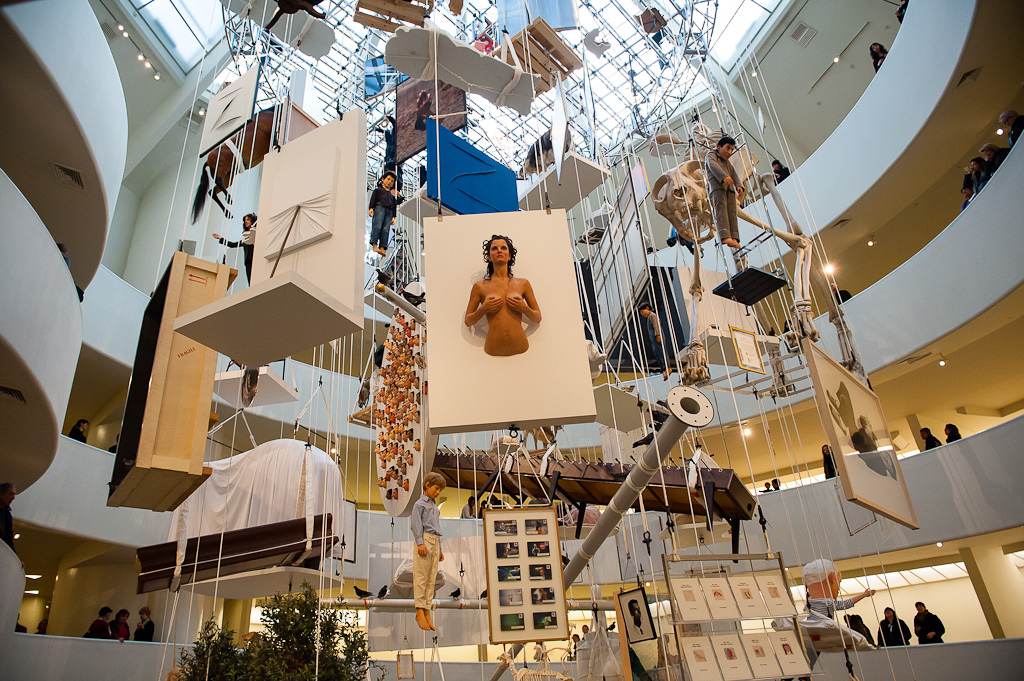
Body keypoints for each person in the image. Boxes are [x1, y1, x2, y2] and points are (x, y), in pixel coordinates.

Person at [464, 235, 542, 357]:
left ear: (509, 256)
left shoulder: (523, 284)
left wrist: (524, 308)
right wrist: (483, 309)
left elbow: (537, 318)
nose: (499, 251)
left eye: (503, 248)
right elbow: (468, 321)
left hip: (521, 346)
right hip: (492, 348)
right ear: (489, 257)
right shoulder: (480, 287)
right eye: (494, 248)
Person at [412, 471, 446, 631]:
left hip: (435, 540)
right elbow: (415, 524)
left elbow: (437, 528)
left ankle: (427, 608)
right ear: (427, 485)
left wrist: (440, 548)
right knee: (421, 575)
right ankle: (419, 609)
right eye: (436, 488)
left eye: (440, 490)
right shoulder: (419, 504)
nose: (438, 492)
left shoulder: (434, 507)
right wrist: (420, 542)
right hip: (425, 539)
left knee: (431, 577)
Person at [704, 136, 745, 250]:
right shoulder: (711, 155)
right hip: (718, 186)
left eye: (732, 149)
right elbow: (713, 165)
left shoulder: (727, 162)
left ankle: (734, 237)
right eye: (728, 148)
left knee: (732, 212)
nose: (730, 152)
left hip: (729, 189)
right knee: (721, 209)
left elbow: (733, 173)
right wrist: (723, 177)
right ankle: (725, 235)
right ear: (719, 147)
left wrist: (739, 185)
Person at [802, 558, 875, 621]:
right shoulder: (828, 603)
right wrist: (864, 595)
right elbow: (846, 604)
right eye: (838, 582)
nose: (839, 589)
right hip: (825, 628)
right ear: (832, 578)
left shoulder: (809, 604)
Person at [213, 213, 257, 284]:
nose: (246, 221)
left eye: (248, 220)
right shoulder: (245, 238)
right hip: (248, 262)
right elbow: (233, 244)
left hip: (255, 260)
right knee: (250, 281)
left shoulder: (256, 234)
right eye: (245, 220)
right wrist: (220, 238)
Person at [368, 171, 398, 256]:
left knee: (386, 229)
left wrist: (393, 217)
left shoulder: (392, 196)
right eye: (388, 179)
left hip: (389, 211)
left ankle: (382, 247)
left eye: (392, 181)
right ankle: (374, 244)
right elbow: (373, 199)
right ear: (383, 179)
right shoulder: (378, 190)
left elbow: (394, 206)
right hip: (379, 208)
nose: (390, 182)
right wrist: (371, 208)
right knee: (377, 226)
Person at [638, 303, 671, 380]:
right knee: (657, 352)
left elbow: (656, 326)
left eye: (642, 312)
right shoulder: (649, 317)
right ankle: (663, 368)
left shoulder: (652, 316)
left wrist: (658, 335)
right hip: (654, 338)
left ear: (647, 308)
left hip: (657, 337)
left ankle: (667, 367)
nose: (642, 314)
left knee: (661, 352)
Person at [1, 483, 16, 552]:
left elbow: (8, 538)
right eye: (10, 494)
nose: (13, 498)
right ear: (1, 494)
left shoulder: (7, 514)